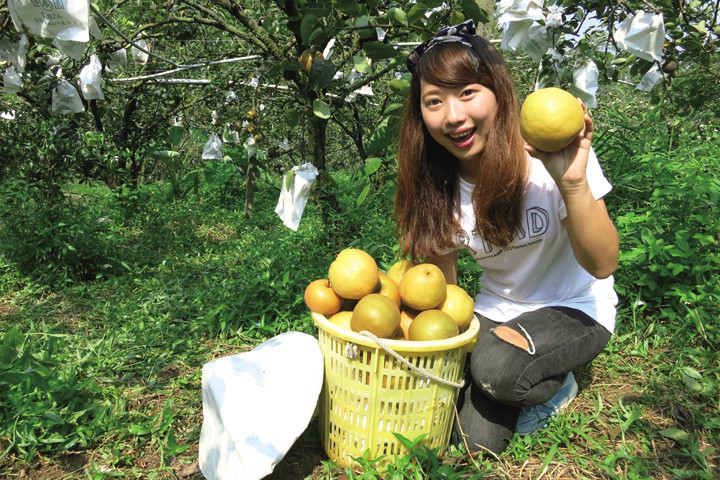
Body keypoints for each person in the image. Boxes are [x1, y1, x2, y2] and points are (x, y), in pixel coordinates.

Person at [394, 20, 619, 454]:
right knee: (468, 442)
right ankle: (509, 373)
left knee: (495, 366)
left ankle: (555, 383)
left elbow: (603, 264)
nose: (453, 116)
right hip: (497, 309)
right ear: (420, 114)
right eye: (434, 101)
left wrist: (571, 183)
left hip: (575, 306)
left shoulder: (549, 155)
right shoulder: (434, 185)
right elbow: (442, 288)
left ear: (497, 92)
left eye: (468, 93)